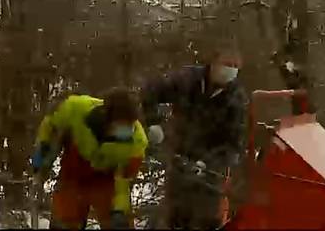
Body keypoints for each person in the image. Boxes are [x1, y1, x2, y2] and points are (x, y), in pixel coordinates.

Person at [142, 44, 247, 229]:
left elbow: (234, 143)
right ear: (213, 62)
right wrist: (153, 122)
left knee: (205, 219)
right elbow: (150, 90)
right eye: (227, 63)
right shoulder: (187, 80)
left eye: (235, 66)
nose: (230, 69)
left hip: (210, 169)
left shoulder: (236, 99)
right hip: (180, 155)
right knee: (174, 214)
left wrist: (209, 163)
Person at [30, 88, 148, 230]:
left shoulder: (136, 143)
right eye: (122, 125)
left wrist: (119, 210)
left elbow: (124, 180)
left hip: (107, 181)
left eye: (131, 125)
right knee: (63, 222)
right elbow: (51, 125)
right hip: (73, 174)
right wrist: (43, 149)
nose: (127, 130)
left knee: (119, 224)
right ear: (107, 119)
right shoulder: (76, 109)